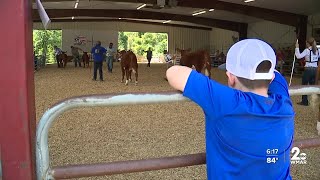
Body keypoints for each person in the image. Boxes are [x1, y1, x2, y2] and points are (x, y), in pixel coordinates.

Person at [166, 39, 294, 180]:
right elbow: (277, 77)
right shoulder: (284, 105)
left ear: (230, 78)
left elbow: (173, 72)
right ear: (271, 79)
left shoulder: (226, 102)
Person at [295, 37, 320, 106]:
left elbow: (298, 56)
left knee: (304, 85)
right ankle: (314, 101)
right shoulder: (317, 50)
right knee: (313, 85)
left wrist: (297, 47)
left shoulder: (307, 50)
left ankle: (305, 101)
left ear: (308, 43)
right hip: (315, 70)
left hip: (308, 70)